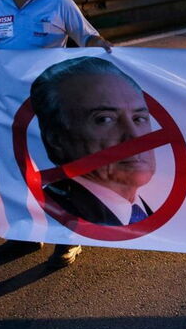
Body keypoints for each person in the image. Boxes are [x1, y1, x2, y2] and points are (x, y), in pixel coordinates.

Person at [0, 0, 112, 268]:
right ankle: (23, 235)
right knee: (12, 172)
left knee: (59, 173)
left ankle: (68, 238)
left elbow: (86, 37)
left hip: (50, 107)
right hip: (6, 107)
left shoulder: (58, 2)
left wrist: (100, 44)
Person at [30, 57, 156, 227]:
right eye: (105, 119)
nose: (134, 137)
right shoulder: (52, 209)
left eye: (139, 118)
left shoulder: (150, 212)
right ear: (57, 139)